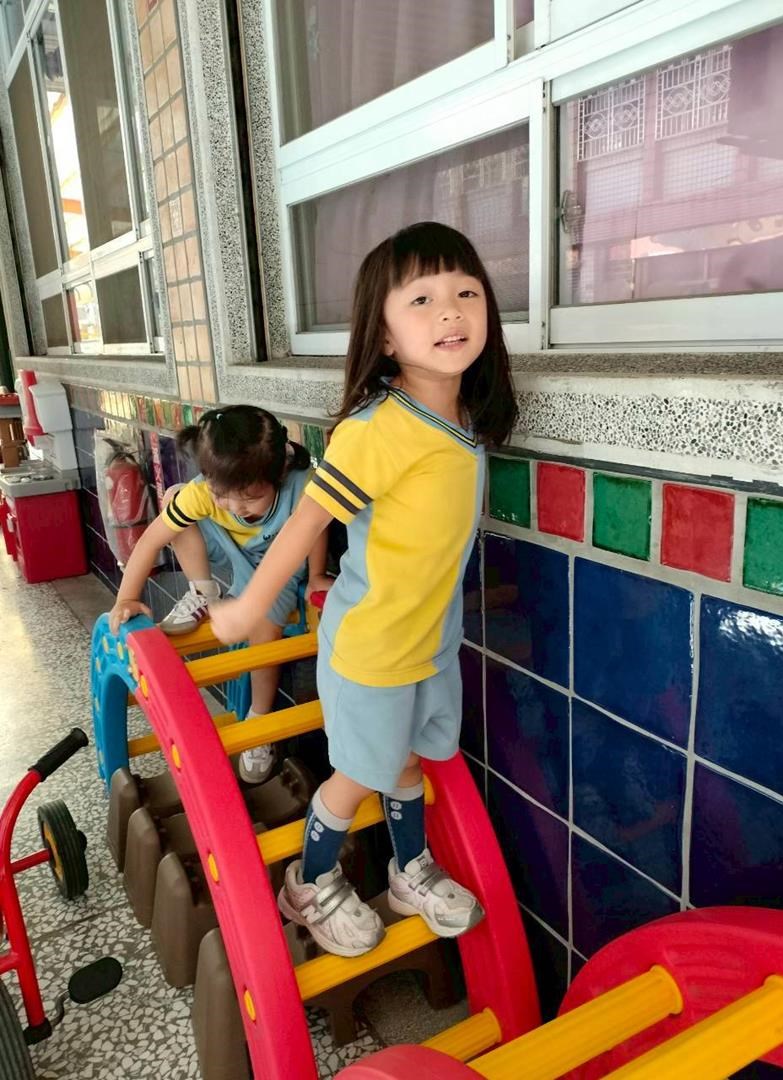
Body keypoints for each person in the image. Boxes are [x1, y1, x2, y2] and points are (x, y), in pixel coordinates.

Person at [211, 222, 517, 957]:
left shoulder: (459, 417)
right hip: (374, 650)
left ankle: (409, 871)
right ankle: (308, 883)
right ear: (382, 336)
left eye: (466, 292)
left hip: (430, 645)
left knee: (407, 761)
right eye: (422, 299)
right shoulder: (379, 429)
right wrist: (249, 607)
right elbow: (307, 520)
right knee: (355, 776)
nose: (450, 311)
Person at [108, 405, 333, 785]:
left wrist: (314, 576)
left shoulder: (301, 485)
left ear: (278, 473)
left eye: (249, 499)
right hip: (230, 550)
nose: (235, 507)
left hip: (278, 562)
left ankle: (259, 718)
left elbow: (315, 530)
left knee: (264, 628)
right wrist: (125, 598)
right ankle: (203, 591)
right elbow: (151, 539)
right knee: (176, 500)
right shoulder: (207, 492)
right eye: (222, 495)